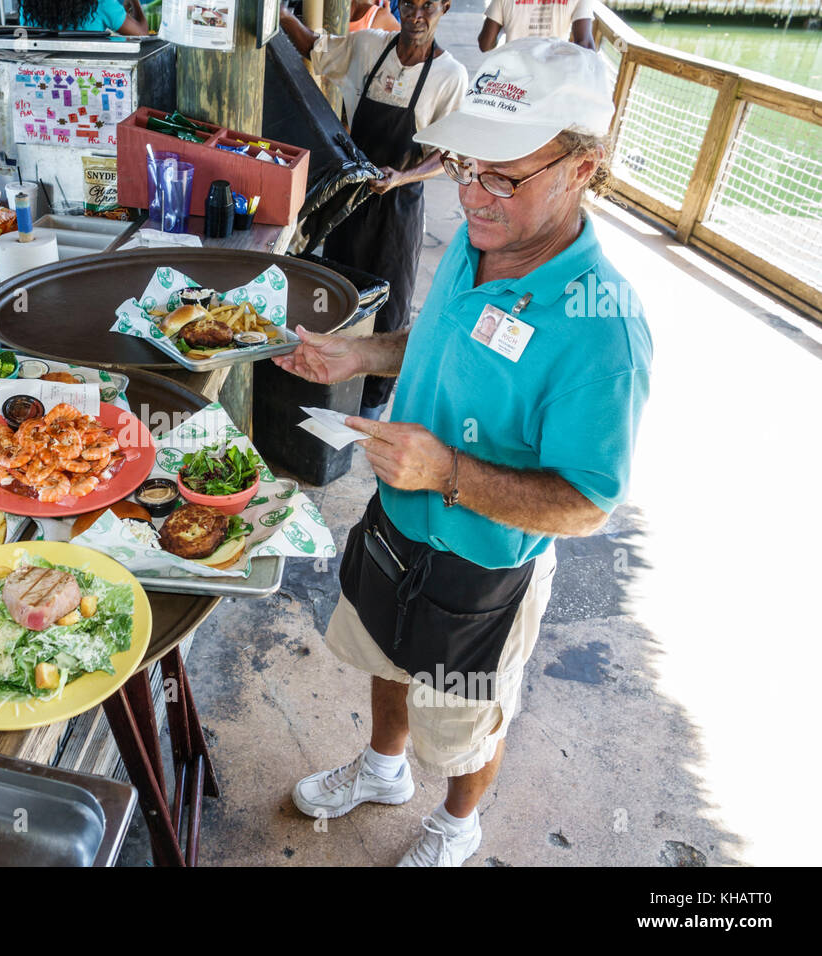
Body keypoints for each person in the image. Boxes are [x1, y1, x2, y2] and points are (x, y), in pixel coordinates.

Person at [274, 39, 651, 866]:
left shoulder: (602, 328)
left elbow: (588, 502)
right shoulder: (485, 241)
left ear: (584, 168)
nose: (473, 197)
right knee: (382, 648)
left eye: (504, 176)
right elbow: (442, 339)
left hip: (486, 567)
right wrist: (361, 356)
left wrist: (446, 473)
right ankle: (381, 770)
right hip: (396, 516)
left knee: (467, 718)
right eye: (462, 165)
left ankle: (457, 823)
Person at [280, 1, 467, 420]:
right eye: (412, 5)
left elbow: (449, 153)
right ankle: (324, 386)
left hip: (398, 208)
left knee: (389, 301)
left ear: (445, 8)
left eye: (429, 6)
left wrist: (401, 176)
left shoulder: (450, 76)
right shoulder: (368, 47)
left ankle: (371, 405)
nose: (418, 15)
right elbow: (313, 48)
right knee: (337, 291)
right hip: (352, 201)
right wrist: (277, 14)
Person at [478, 0, 595, 51]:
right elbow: (585, 44)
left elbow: (485, 44)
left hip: (513, 79)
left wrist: (503, 28)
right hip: (554, 76)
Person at [19, 0, 150, 34]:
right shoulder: (100, 3)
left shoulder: (29, 4)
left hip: (41, 82)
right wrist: (135, 2)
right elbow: (142, 32)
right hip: (91, 81)